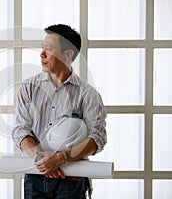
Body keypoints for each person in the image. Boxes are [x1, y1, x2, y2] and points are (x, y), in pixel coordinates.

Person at [12, 24, 107, 199]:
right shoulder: (28, 88)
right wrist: (42, 161)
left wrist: (60, 159)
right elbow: (20, 130)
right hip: (35, 176)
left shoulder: (88, 94)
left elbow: (97, 139)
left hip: (71, 179)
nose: (42, 54)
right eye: (42, 48)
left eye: (49, 49)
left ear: (68, 54)